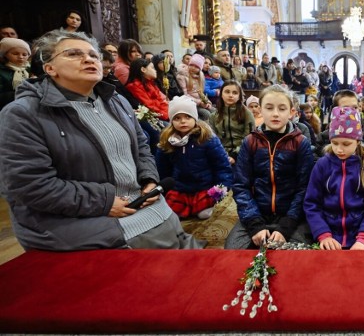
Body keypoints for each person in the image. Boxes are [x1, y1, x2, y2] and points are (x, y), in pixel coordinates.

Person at [0, 29, 202, 250]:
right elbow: (28, 186)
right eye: (73, 54)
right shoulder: (23, 114)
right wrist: (104, 202)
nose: (88, 59)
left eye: (93, 55)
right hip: (82, 223)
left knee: (196, 259)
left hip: (138, 204)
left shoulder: (115, 101)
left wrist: (149, 179)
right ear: (50, 68)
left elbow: (141, 146)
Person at [226, 85, 315, 249]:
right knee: (233, 251)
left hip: (291, 215)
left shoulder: (301, 143)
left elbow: (305, 187)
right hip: (258, 212)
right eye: (269, 108)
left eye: (282, 109)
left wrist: (287, 225)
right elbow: (241, 185)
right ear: (260, 110)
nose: (275, 113)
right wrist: (254, 224)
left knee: (299, 254)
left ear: (291, 112)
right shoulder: (250, 142)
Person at [304, 107, 364, 250]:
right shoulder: (322, 165)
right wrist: (323, 233)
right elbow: (311, 204)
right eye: (334, 143)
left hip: (360, 233)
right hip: (328, 233)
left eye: (346, 144)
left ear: (357, 142)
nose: (339, 149)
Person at [156, 96, 233, 220]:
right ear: (171, 121)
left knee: (203, 214)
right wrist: (165, 191)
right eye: (177, 118)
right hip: (180, 189)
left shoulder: (208, 139)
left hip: (205, 188)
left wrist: (221, 189)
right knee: (173, 214)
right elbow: (162, 170)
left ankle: (202, 205)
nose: (183, 121)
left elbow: (222, 166)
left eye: (188, 117)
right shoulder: (167, 141)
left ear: (195, 118)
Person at [209, 80, 255, 164]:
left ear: (239, 96)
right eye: (227, 92)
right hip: (221, 153)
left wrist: (235, 155)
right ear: (221, 94)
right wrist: (223, 154)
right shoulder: (213, 116)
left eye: (235, 93)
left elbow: (249, 138)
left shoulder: (247, 113)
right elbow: (213, 139)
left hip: (243, 152)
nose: (230, 95)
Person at [177, 54, 213, 121]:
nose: (193, 68)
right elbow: (184, 95)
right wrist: (199, 102)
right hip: (190, 103)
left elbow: (201, 93)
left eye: (196, 67)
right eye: (191, 65)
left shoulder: (200, 76)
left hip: (200, 102)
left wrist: (207, 102)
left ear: (200, 69)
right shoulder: (181, 76)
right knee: (206, 114)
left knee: (214, 111)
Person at [0, 38, 31, 110]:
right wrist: (21, 92)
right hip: (6, 108)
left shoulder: (29, 69)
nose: (20, 57)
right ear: (5, 55)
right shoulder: (2, 71)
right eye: (15, 53)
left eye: (24, 54)